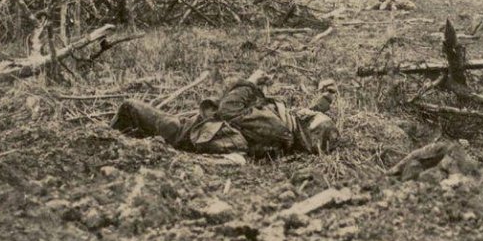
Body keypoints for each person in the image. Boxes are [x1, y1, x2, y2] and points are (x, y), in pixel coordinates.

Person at [111, 70, 339, 156]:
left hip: (190, 130)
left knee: (130, 106)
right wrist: (327, 98)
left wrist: (250, 82)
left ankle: (103, 139)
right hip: (208, 124)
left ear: (307, 127)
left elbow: (228, 110)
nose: (307, 112)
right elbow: (311, 114)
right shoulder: (292, 127)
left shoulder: (277, 126)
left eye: (310, 116)